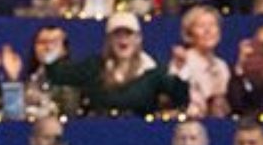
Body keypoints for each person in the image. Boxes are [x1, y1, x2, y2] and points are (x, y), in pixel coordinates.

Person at [43, 13, 188, 115]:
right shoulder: (94, 66)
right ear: (109, 40)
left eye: (128, 34)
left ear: (138, 39)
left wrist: (180, 71)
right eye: (117, 34)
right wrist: (52, 52)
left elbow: (180, 99)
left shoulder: (152, 71)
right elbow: (58, 75)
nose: (123, 39)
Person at [169, 6, 232, 117]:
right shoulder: (183, 61)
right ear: (189, 33)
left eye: (212, 25)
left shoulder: (222, 65)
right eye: (201, 26)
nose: (208, 31)